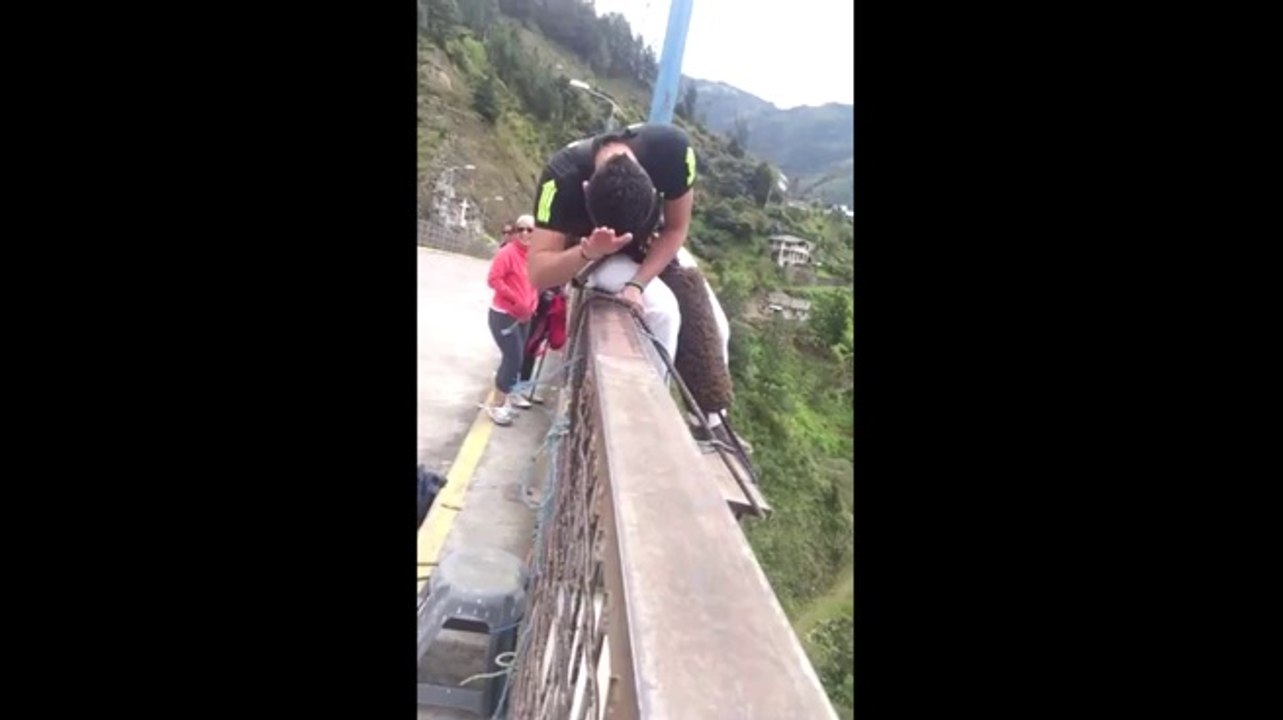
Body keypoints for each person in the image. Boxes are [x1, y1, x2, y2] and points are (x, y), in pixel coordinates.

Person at [525, 123, 738, 445]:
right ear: (585, 190)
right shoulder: (560, 177)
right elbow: (538, 273)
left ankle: (709, 419)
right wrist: (588, 250)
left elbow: (676, 228)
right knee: (663, 312)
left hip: (652, 239)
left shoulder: (673, 151)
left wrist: (637, 284)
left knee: (718, 327)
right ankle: (649, 423)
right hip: (593, 253)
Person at [484, 214, 539, 425]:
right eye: (520, 229)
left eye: (530, 230)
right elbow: (493, 280)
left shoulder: (534, 256)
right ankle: (497, 405)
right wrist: (515, 300)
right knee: (513, 358)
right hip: (503, 315)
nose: (525, 233)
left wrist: (531, 305)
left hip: (525, 316)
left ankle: (504, 399)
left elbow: (535, 283)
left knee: (517, 357)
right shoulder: (507, 253)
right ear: (514, 232)